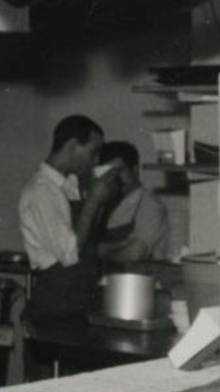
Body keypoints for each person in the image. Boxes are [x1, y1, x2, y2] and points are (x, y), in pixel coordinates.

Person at [17, 114, 123, 317]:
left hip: (80, 298)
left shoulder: (69, 185)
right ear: (73, 145)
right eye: (93, 152)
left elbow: (87, 239)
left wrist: (101, 202)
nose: (96, 160)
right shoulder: (41, 191)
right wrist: (93, 201)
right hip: (56, 304)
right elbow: (69, 253)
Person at [95, 141, 172, 264]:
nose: (114, 178)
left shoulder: (151, 206)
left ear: (135, 170)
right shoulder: (103, 202)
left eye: (119, 171)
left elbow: (134, 254)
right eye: (107, 173)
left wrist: (96, 255)